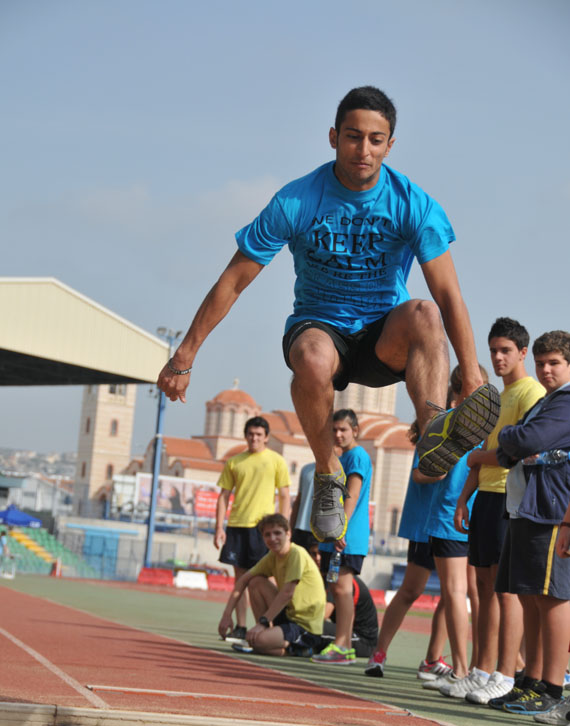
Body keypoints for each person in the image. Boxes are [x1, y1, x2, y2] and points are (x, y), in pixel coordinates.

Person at [157, 85, 499, 545]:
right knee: (313, 357)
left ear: (390, 145)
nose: (364, 149)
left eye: (376, 140)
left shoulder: (412, 203)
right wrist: (185, 355)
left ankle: (434, 430)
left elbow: (449, 294)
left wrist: (473, 376)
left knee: (424, 310)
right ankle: (326, 473)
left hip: (383, 334)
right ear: (334, 136)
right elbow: (234, 280)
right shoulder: (296, 201)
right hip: (320, 325)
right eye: (354, 137)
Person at [454, 318, 545, 705]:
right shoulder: (495, 397)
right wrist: (463, 498)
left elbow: (523, 450)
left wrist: (480, 455)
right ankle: (481, 670)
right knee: (483, 590)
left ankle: (506, 674)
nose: (497, 357)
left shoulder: (531, 393)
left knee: (508, 593)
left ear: (523, 353)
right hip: (486, 497)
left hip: (512, 499)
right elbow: (480, 459)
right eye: (493, 350)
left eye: (505, 350)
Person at [488, 331, 570, 716]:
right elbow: (514, 450)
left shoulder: (566, 403)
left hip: (553, 510)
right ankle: (533, 681)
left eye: (554, 362)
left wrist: (510, 437)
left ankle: (554, 689)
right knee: (532, 596)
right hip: (527, 506)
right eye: (540, 363)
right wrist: (515, 442)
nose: (545, 369)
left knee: (552, 598)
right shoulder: (547, 402)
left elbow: (525, 439)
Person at [421, 367, 489, 698]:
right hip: (462, 514)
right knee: (467, 595)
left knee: (463, 594)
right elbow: (422, 472)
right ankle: (473, 670)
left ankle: (468, 671)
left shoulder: (454, 422)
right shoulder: (459, 421)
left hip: (466, 514)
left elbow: (423, 470)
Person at [364, 421, 451, 680]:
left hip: (455, 527)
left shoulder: (477, 433)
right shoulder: (434, 432)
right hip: (426, 524)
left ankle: (432, 659)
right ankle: (379, 653)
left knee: (452, 594)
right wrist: (442, 473)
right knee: (411, 590)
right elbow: (418, 474)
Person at [215, 416, 290, 644]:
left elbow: (285, 495)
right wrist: (219, 527)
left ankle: (272, 623)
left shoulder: (277, 461)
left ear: (266, 437)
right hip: (237, 526)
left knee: (268, 578)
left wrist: (283, 528)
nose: (254, 438)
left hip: (263, 530)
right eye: (251, 434)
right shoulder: (234, 462)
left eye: (259, 434)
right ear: (245, 435)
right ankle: (241, 626)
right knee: (241, 579)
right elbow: (223, 496)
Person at [311, 409, 372, 665]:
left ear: (355, 431)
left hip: (346, 537)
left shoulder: (357, 456)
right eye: (334, 430)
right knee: (335, 589)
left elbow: (352, 495)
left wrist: (341, 528)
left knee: (343, 590)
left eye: (343, 430)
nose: (338, 434)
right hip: (334, 537)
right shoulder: (340, 456)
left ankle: (343, 646)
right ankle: (341, 644)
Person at [218, 514, 325, 656]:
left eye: (277, 533)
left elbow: (288, 593)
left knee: (257, 642)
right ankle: (271, 639)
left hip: (304, 627)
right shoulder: (272, 557)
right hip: (288, 616)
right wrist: (226, 615)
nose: (272, 538)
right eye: (267, 535)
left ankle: (296, 648)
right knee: (256, 582)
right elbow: (243, 580)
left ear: (288, 534)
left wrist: (262, 623)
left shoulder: (296, 553)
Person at [316, 574, 379, 659]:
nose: (317, 559)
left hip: (363, 641)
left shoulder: (338, 578)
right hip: (349, 633)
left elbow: (325, 613)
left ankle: (341, 647)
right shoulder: (328, 575)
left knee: (310, 626)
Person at [289, 461, 316, 550]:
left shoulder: (339, 469)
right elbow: (298, 500)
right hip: (300, 529)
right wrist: (290, 528)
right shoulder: (306, 469)